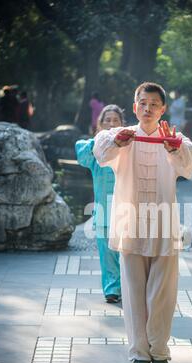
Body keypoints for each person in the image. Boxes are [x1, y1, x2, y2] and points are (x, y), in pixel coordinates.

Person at [93, 82, 192, 363]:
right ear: (134, 106)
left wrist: (174, 148)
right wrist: (116, 142)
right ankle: (139, 351)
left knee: (162, 293)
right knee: (133, 290)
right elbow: (100, 151)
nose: (148, 108)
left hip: (164, 226)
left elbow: (189, 159)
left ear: (163, 109)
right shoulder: (121, 137)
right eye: (143, 103)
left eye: (154, 104)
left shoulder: (174, 138)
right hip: (131, 225)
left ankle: (160, 350)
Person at [75, 105, 122, 304]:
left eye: (115, 121)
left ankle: (130, 287)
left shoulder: (128, 148)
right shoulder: (94, 150)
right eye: (107, 121)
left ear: (122, 125)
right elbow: (81, 155)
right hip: (103, 209)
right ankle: (112, 289)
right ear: (99, 125)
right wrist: (102, 139)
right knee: (107, 252)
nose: (111, 124)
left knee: (128, 253)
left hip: (127, 208)